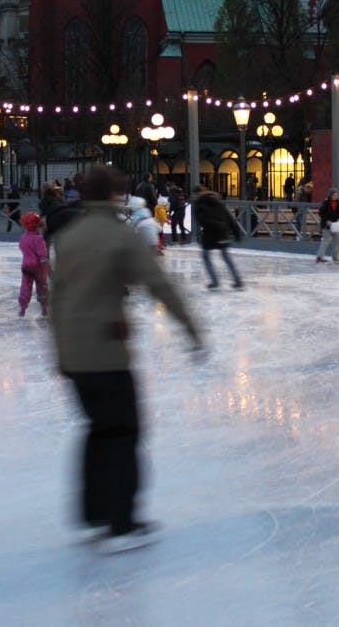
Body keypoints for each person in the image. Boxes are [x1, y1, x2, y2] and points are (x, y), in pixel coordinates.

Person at [48, 166, 205, 554]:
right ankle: (122, 522)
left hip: (74, 354)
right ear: (116, 195)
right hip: (107, 353)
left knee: (97, 430)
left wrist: (59, 353)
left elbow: (58, 299)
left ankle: (93, 514)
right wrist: (191, 328)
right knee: (122, 432)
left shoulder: (68, 237)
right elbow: (159, 284)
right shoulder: (120, 236)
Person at [190, 184, 244, 290]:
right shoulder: (218, 201)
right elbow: (229, 217)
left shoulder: (198, 204)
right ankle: (237, 281)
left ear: (196, 194)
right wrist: (236, 232)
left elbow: (202, 221)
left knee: (206, 256)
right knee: (226, 257)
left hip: (209, 234)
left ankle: (215, 281)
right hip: (222, 233)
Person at [17, 211, 50, 319]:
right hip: (38, 268)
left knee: (25, 287)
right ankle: (44, 308)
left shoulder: (23, 238)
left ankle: (22, 309)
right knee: (42, 287)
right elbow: (43, 257)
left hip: (26, 266)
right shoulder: (39, 240)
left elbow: (22, 249)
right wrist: (49, 269)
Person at [316, 187, 339, 263]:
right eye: (334, 195)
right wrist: (327, 221)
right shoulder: (325, 203)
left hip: (335, 226)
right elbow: (321, 213)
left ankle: (336, 257)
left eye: (337, 195)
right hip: (327, 226)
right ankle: (319, 257)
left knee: (337, 240)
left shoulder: (338, 203)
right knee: (325, 241)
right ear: (330, 195)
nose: (336, 196)